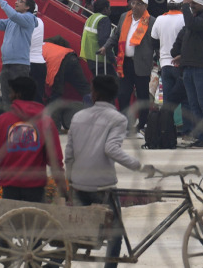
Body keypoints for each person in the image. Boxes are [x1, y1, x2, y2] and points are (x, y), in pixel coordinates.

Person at [66, 75, 154, 268]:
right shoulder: (117, 119)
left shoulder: (78, 117)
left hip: (79, 184)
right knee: (115, 235)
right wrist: (139, 166)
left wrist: (70, 180)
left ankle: (57, 259)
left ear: (94, 94)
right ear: (114, 96)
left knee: (78, 231)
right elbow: (111, 149)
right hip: (102, 187)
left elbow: (69, 155)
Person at [0, 76, 66, 203]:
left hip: (10, 186)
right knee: (34, 221)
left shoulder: (2, 120)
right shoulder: (46, 122)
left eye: (11, 92)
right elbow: (55, 159)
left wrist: (7, 172)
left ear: (17, 94)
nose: (9, 96)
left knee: (11, 221)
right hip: (35, 187)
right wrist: (63, 189)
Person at [100, 0, 156, 134]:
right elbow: (116, 35)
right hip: (124, 63)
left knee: (142, 95)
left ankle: (142, 124)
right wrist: (106, 47)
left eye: (138, 4)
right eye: (133, 3)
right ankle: (123, 124)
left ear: (145, 6)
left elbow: (156, 42)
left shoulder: (151, 21)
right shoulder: (125, 17)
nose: (135, 6)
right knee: (123, 94)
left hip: (141, 64)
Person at [172, 0, 203, 148]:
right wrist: (182, 57)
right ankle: (201, 136)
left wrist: (184, 6)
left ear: (202, 4)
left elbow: (191, 25)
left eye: (193, 4)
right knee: (193, 103)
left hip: (201, 67)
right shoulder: (196, 18)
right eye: (190, 4)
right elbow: (192, 42)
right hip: (189, 66)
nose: (190, 6)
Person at [0, 0, 37, 107]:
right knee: (7, 100)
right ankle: (9, 122)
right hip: (6, 64)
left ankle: (20, 123)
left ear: (27, 7)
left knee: (20, 100)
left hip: (20, 65)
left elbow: (14, 16)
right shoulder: (11, 21)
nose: (16, 2)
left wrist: (0, 0)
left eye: (20, 1)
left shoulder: (29, 18)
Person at [152, 0, 189, 137]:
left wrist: (161, 54)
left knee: (168, 100)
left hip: (165, 65)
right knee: (185, 99)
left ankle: (167, 130)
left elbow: (154, 40)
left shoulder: (160, 19)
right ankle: (186, 131)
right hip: (180, 65)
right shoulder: (185, 19)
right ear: (181, 5)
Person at [42, 35, 92, 129]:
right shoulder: (47, 44)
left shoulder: (33, 52)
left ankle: (54, 127)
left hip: (58, 64)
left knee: (56, 95)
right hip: (71, 56)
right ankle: (95, 116)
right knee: (84, 88)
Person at [80, 0, 114, 77]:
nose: (110, 10)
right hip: (101, 60)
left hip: (90, 58)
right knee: (113, 85)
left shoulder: (90, 18)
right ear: (105, 9)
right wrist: (112, 59)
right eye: (109, 8)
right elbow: (103, 41)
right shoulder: (104, 19)